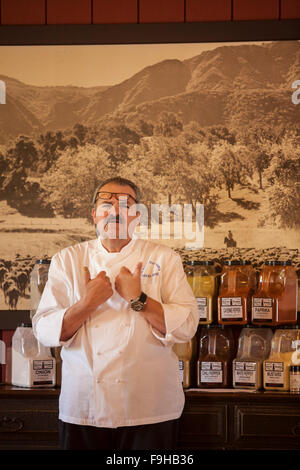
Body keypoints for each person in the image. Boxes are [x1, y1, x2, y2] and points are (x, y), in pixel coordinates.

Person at [32, 176, 198, 450]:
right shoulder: (67, 259)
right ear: (94, 214)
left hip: (149, 406)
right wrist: (87, 303)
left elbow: (186, 326)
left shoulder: (164, 258)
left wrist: (138, 298)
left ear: (137, 216)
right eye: (106, 203)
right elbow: (46, 330)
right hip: (83, 405)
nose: (115, 210)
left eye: (125, 204)